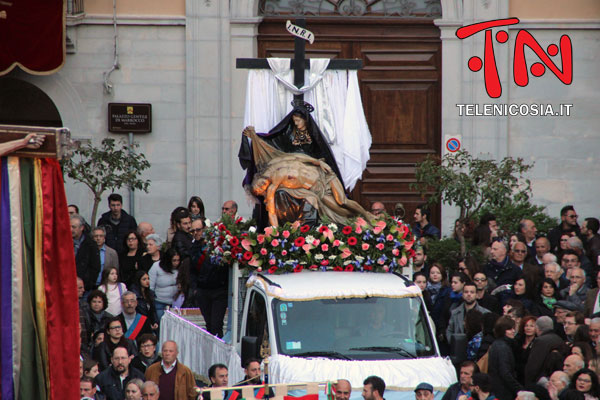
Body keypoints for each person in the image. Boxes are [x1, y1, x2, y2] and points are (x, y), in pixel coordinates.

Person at [245, 126, 373, 227]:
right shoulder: (273, 187)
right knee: (338, 211)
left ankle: (367, 216)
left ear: (257, 178)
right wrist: (275, 231)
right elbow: (272, 212)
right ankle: (358, 219)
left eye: (257, 186)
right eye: (260, 191)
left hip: (324, 175)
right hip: (316, 188)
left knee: (342, 200)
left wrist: (318, 162)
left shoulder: (273, 163)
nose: (260, 187)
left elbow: (296, 157)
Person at [524, 316, 569, 385]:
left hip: (542, 381)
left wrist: (528, 383)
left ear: (537, 328)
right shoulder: (559, 340)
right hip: (556, 380)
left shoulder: (540, 341)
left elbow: (534, 365)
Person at [488, 316, 523, 400]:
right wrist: (519, 389)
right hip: (503, 392)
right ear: (502, 330)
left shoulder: (498, 344)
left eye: (513, 328)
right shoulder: (502, 347)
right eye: (509, 329)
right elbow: (505, 372)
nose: (513, 331)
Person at [149, 247, 181, 321]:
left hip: (175, 303)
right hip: (160, 302)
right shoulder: (156, 267)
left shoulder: (180, 268)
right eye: (174, 260)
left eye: (178, 260)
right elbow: (151, 286)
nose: (176, 263)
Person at [72, 214, 101, 292]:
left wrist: (87, 284)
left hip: (85, 288)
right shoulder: (63, 243)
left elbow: (95, 267)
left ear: (82, 228)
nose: (71, 229)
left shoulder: (91, 245)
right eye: (70, 226)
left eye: (74, 227)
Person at [515, 316, 537, 384]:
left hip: (530, 377)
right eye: (526, 325)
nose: (528, 328)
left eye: (531, 326)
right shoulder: (517, 341)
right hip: (517, 376)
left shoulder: (538, 343)